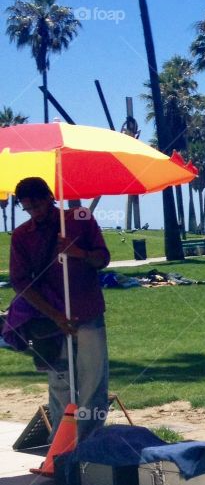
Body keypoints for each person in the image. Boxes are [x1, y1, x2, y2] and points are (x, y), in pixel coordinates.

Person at [3, 176, 110, 440]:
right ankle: (61, 448)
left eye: (38, 205)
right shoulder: (21, 235)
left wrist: (79, 253)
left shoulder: (80, 218)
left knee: (92, 382)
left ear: (50, 196)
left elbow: (102, 259)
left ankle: (88, 443)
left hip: (87, 311)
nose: (35, 213)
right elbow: (20, 281)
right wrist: (56, 316)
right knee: (60, 384)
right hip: (48, 319)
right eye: (28, 208)